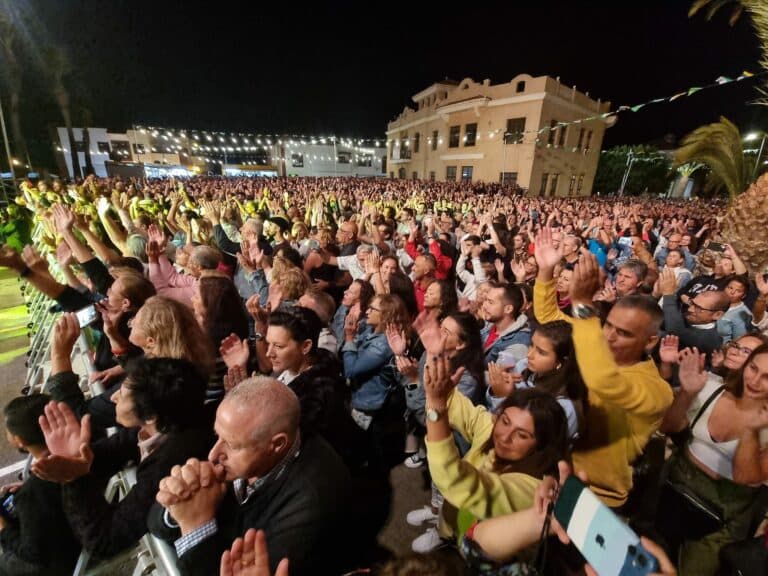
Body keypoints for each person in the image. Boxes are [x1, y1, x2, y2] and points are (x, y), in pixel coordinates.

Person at [34, 315, 214, 559]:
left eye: (123, 393)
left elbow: (106, 540)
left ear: (150, 415)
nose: (114, 397)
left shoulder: (172, 461)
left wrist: (74, 478)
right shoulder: (162, 425)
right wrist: (72, 459)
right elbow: (101, 456)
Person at [149, 377, 352, 576]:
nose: (213, 454)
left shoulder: (313, 499)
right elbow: (153, 522)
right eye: (217, 435)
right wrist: (180, 503)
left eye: (232, 445)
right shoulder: (238, 436)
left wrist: (195, 525)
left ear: (277, 444)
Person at [534, 227, 673, 508]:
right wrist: (546, 270)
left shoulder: (656, 390)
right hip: (556, 473)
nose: (608, 336)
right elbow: (549, 317)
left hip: (597, 498)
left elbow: (604, 382)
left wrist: (582, 304)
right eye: (608, 325)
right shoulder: (594, 339)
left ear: (650, 341)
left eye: (623, 333)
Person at [423, 354, 569, 546]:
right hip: (452, 526)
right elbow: (460, 408)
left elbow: (459, 484)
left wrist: (436, 406)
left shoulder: (533, 490)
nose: (504, 437)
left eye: (522, 435)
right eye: (505, 421)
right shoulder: (492, 428)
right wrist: (435, 362)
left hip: (472, 553)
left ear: (542, 445)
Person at [658, 346, 768, 576]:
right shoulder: (713, 389)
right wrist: (687, 393)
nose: (755, 381)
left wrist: (751, 431)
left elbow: (746, 477)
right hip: (675, 488)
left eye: (767, 377)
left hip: (722, 518)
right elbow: (668, 426)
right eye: (753, 368)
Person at [0, 395, 79, 575]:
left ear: (20, 440)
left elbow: (32, 554)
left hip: (59, 559)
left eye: (8, 431)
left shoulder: (34, 492)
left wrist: (3, 528)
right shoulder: (77, 455)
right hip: (73, 535)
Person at [486, 320, 587, 441]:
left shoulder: (564, 406)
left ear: (560, 362)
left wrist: (504, 397)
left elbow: (528, 441)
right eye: (531, 345)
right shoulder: (524, 366)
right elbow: (490, 405)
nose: (529, 354)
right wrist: (497, 386)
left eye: (541, 352)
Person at [717, 276, 752, 344]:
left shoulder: (743, 314)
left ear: (744, 295)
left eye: (738, 291)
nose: (732, 292)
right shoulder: (716, 301)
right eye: (730, 288)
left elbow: (738, 341)